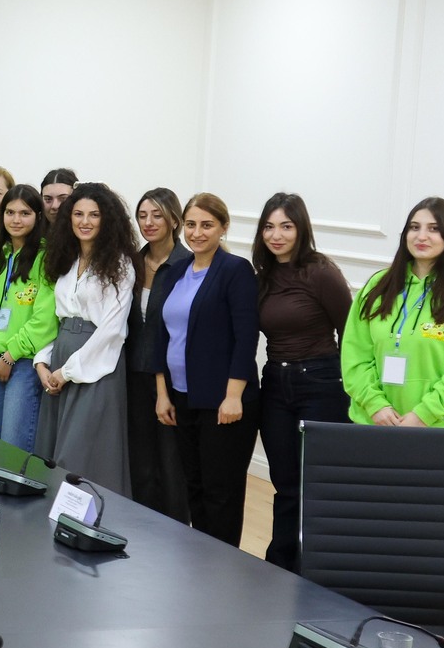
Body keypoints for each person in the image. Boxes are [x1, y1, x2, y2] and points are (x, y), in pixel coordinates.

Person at [150, 193, 260, 547]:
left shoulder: (235, 270)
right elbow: (162, 335)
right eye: (191, 224)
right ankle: (200, 559)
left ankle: (222, 564)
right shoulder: (178, 270)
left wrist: (233, 396)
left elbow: (246, 337)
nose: (197, 233)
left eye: (207, 225)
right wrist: (163, 393)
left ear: (223, 227)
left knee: (220, 491)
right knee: (194, 485)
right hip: (182, 397)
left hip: (222, 402)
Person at [252, 193, 353, 571]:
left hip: (321, 382)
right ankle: (281, 565)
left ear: (301, 229)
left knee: (319, 481)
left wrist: (347, 385)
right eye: (269, 227)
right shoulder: (262, 276)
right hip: (276, 382)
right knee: (285, 481)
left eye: (286, 226)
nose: (276, 235)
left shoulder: (320, 272)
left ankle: (321, 566)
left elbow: (351, 334)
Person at [343, 196, 444, 427]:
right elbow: (354, 355)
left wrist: (424, 414)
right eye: (414, 227)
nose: (421, 236)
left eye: (434, 229)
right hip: (375, 422)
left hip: (439, 426)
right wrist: (375, 405)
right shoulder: (378, 285)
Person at [34, 182, 136, 493]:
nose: (85, 221)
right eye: (78, 214)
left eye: (94, 214)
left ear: (107, 219)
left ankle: (93, 517)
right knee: (52, 453)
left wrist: (67, 372)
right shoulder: (66, 260)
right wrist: (43, 362)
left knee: (81, 454)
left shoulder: (120, 265)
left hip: (95, 365)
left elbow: (111, 331)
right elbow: (58, 320)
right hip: (61, 355)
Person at [0, 185, 55, 453]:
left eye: (24, 213)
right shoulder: (0, 257)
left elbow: (45, 320)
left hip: (23, 362)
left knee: (13, 446)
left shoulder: (46, 258)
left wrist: (10, 356)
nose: (16, 220)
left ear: (38, 217)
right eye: (10, 212)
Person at [126, 188, 191, 521]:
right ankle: (143, 530)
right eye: (142, 216)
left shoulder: (188, 265)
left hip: (172, 377)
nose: (148, 223)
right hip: (132, 373)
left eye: (157, 215)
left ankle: (176, 533)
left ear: (174, 220)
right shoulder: (132, 264)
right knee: (140, 462)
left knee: (172, 463)